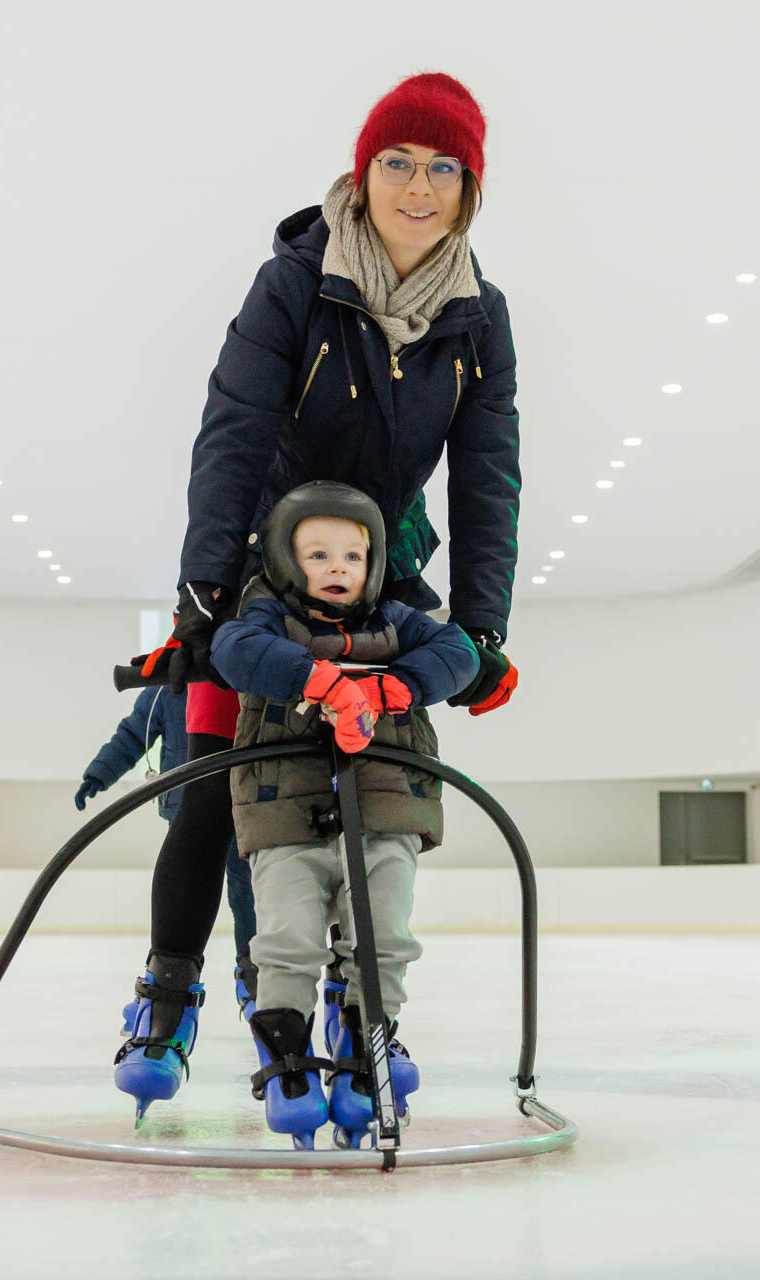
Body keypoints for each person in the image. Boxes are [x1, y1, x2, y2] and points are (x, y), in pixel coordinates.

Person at [112, 71, 522, 1120]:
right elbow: (234, 426)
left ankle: (356, 993)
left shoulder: (479, 315)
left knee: (378, 783)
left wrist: (481, 626)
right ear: (362, 172)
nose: (418, 187)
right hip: (260, 566)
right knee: (217, 780)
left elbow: (488, 472)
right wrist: (206, 590)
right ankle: (170, 989)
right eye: (398, 162)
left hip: (376, 567)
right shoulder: (296, 280)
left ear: (469, 189)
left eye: (443, 169)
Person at [210, 482, 477, 1149]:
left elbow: (458, 654)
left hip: (386, 809)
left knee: (383, 936)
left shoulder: (397, 621)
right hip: (284, 813)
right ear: (284, 560)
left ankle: (367, 1042)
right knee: (287, 940)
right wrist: (318, 679)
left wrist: (394, 686)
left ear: (375, 563)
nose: (337, 568)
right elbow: (233, 649)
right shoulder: (265, 619)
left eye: (352, 556)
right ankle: (287, 1056)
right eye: (318, 555)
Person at [73, 685, 256, 1022]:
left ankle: (254, 979)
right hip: (189, 810)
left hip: (245, 807)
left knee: (248, 895)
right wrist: (99, 774)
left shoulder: (242, 680)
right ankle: (163, 987)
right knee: (181, 901)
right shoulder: (164, 691)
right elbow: (132, 735)